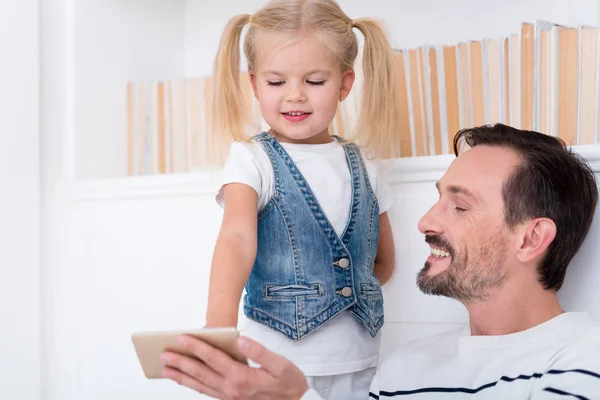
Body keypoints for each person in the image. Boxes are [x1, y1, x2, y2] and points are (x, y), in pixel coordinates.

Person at [160, 124, 600, 399]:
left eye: (460, 207)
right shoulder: (403, 370)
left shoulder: (582, 356)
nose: (426, 221)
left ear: (531, 238)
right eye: (437, 198)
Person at [199, 0, 402, 398]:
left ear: (345, 84)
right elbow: (237, 240)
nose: (295, 96)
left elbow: (382, 260)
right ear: (255, 84)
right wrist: (217, 330)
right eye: (276, 83)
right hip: (275, 362)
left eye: (314, 81)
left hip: (361, 362)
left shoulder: (366, 165)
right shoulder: (251, 159)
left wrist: (340, 292)